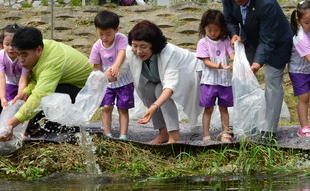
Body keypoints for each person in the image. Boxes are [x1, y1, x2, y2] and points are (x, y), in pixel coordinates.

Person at [221, 0, 293, 141]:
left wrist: (257, 63)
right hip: (250, 38)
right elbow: (229, 19)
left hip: (277, 41)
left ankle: (269, 131)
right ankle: (249, 124)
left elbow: (267, 39)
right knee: (243, 78)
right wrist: (234, 33)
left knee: (272, 81)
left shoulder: (266, 3)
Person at [0, 26, 93, 141]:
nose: (21, 60)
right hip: (67, 84)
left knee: (43, 99)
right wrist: (25, 92)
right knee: (30, 99)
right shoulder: (40, 49)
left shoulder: (52, 61)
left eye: (24, 54)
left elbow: (40, 95)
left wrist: (11, 124)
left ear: (38, 50)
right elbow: (38, 78)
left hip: (85, 91)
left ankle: (65, 128)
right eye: (18, 55)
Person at [122, 20, 201, 144]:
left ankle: (174, 136)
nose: (138, 51)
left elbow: (169, 86)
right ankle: (163, 134)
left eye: (143, 46)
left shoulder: (169, 53)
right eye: (135, 45)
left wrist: (154, 106)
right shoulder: (131, 52)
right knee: (146, 87)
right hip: (164, 80)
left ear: (154, 45)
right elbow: (120, 70)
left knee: (160, 89)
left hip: (192, 71)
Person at [89, 11, 134, 140]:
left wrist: (116, 65)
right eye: (100, 34)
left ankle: (123, 135)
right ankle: (107, 133)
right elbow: (96, 67)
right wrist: (98, 81)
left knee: (123, 109)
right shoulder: (97, 46)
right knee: (106, 107)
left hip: (124, 81)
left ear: (116, 30)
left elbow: (122, 52)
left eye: (108, 34)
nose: (104, 37)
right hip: (107, 82)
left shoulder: (121, 38)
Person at [196, 9, 235, 143]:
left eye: (216, 30)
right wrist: (218, 66)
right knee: (208, 108)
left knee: (224, 108)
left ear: (222, 29)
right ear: (204, 28)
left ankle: (225, 133)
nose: (213, 33)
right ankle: (206, 134)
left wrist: (238, 59)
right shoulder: (203, 43)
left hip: (224, 82)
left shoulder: (226, 41)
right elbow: (205, 61)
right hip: (208, 82)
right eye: (209, 30)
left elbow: (232, 55)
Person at [289, 1, 310, 137]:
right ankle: (304, 127)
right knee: (304, 98)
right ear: (299, 21)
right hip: (298, 71)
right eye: (307, 22)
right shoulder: (300, 38)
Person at [0, 24, 28, 112]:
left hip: (25, 83)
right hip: (10, 83)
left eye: (13, 44)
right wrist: (2, 98)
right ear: (2, 43)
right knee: (9, 105)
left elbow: (23, 79)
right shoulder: (1, 56)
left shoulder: (24, 56)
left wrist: (19, 97)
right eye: (7, 44)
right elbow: (2, 78)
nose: (10, 48)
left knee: (23, 102)